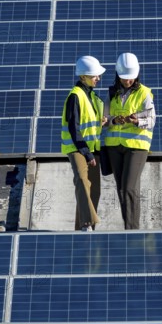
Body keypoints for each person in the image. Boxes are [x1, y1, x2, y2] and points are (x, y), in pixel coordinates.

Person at [104, 52, 156, 230]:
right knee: (122, 190)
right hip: (114, 147)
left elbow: (151, 120)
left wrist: (137, 121)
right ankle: (129, 227)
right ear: (118, 75)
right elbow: (104, 119)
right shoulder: (111, 93)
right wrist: (114, 120)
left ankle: (133, 230)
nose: (128, 81)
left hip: (137, 147)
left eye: (131, 78)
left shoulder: (144, 93)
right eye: (125, 78)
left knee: (129, 188)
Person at [61, 55, 106, 232]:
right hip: (77, 148)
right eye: (94, 75)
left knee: (93, 190)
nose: (98, 78)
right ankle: (87, 223)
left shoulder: (92, 97)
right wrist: (86, 152)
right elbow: (74, 127)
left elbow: (91, 123)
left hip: (93, 147)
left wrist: (101, 122)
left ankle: (83, 226)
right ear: (83, 77)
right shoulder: (75, 96)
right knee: (82, 181)